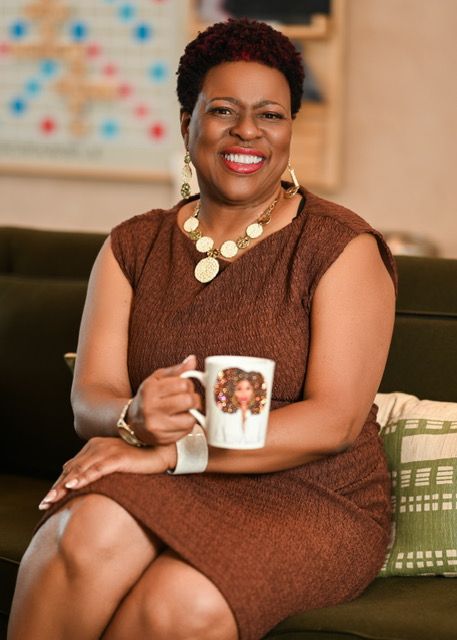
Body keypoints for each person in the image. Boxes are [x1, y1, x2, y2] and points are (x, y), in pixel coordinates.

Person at [7, 18, 397, 640]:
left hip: (311, 494)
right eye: (223, 110)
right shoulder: (132, 246)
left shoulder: (340, 247)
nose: (248, 131)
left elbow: (334, 423)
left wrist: (171, 452)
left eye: (271, 115)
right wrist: (133, 417)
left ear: (290, 128)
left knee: (178, 604)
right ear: (188, 121)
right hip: (176, 476)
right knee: (82, 534)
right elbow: (91, 398)